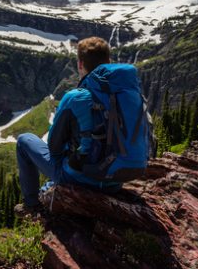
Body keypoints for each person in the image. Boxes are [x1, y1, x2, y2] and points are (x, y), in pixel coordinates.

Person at [15, 36, 149, 215]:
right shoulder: (132, 93)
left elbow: (54, 148)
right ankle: (51, 187)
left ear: (80, 64)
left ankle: (32, 205)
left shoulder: (75, 97)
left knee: (25, 141)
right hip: (118, 178)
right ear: (108, 61)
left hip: (83, 178)